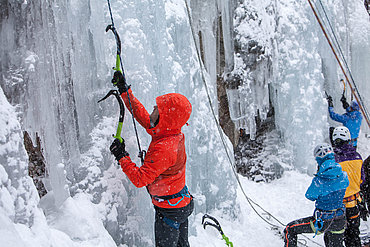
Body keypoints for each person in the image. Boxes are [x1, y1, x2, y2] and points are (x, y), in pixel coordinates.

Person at [109, 71, 194, 247]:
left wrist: (122, 156)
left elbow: (140, 179)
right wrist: (125, 91)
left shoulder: (165, 148)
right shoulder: (169, 131)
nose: (153, 109)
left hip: (170, 210)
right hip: (179, 204)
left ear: (166, 117)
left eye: (157, 109)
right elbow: (144, 117)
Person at [284, 143, 349, 247]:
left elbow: (310, 196)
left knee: (289, 229)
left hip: (323, 220)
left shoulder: (319, 181)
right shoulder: (344, 175)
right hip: (340, 219)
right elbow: (343, 186)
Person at [332, 126, 365, 247]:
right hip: (354, 204)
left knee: (335, 238)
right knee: (353, 236)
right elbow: (362, 179)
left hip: (337, 207)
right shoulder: (358, 157)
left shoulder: (333, 160)